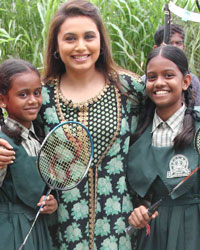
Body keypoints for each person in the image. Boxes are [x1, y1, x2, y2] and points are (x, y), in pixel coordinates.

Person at [0, 0, 145, 249]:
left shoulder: (129, 90)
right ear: (57, 45)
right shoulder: (41, 96)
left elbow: (169, 118)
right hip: (57, 229)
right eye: (70, 38)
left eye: (89, 36)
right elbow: (12, 125)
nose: (80, 46)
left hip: (119, 228)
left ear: (101, 41)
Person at [127, 45, 200, 250]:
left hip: (193, 229)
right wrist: (138, 213)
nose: (159, 83)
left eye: (168, 75)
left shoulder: (198, 130)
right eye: (152, 77)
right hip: (152, 234)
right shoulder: (137, 133)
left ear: (185, 82)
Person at [0, 59, 58, 250]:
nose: (33, 100)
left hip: (38, 229)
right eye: (23, 94)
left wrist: (51, 203)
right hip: (9, 230)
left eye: (37, 93)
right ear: (2, 100)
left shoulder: (39, 139)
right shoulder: (2, 142)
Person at [153, 24, 200, 105]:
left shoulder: (193, 81)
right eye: (169, 43)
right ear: (156, 49)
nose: (174, 48)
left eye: (178, 43)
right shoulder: (146, 81)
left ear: (184, 48)